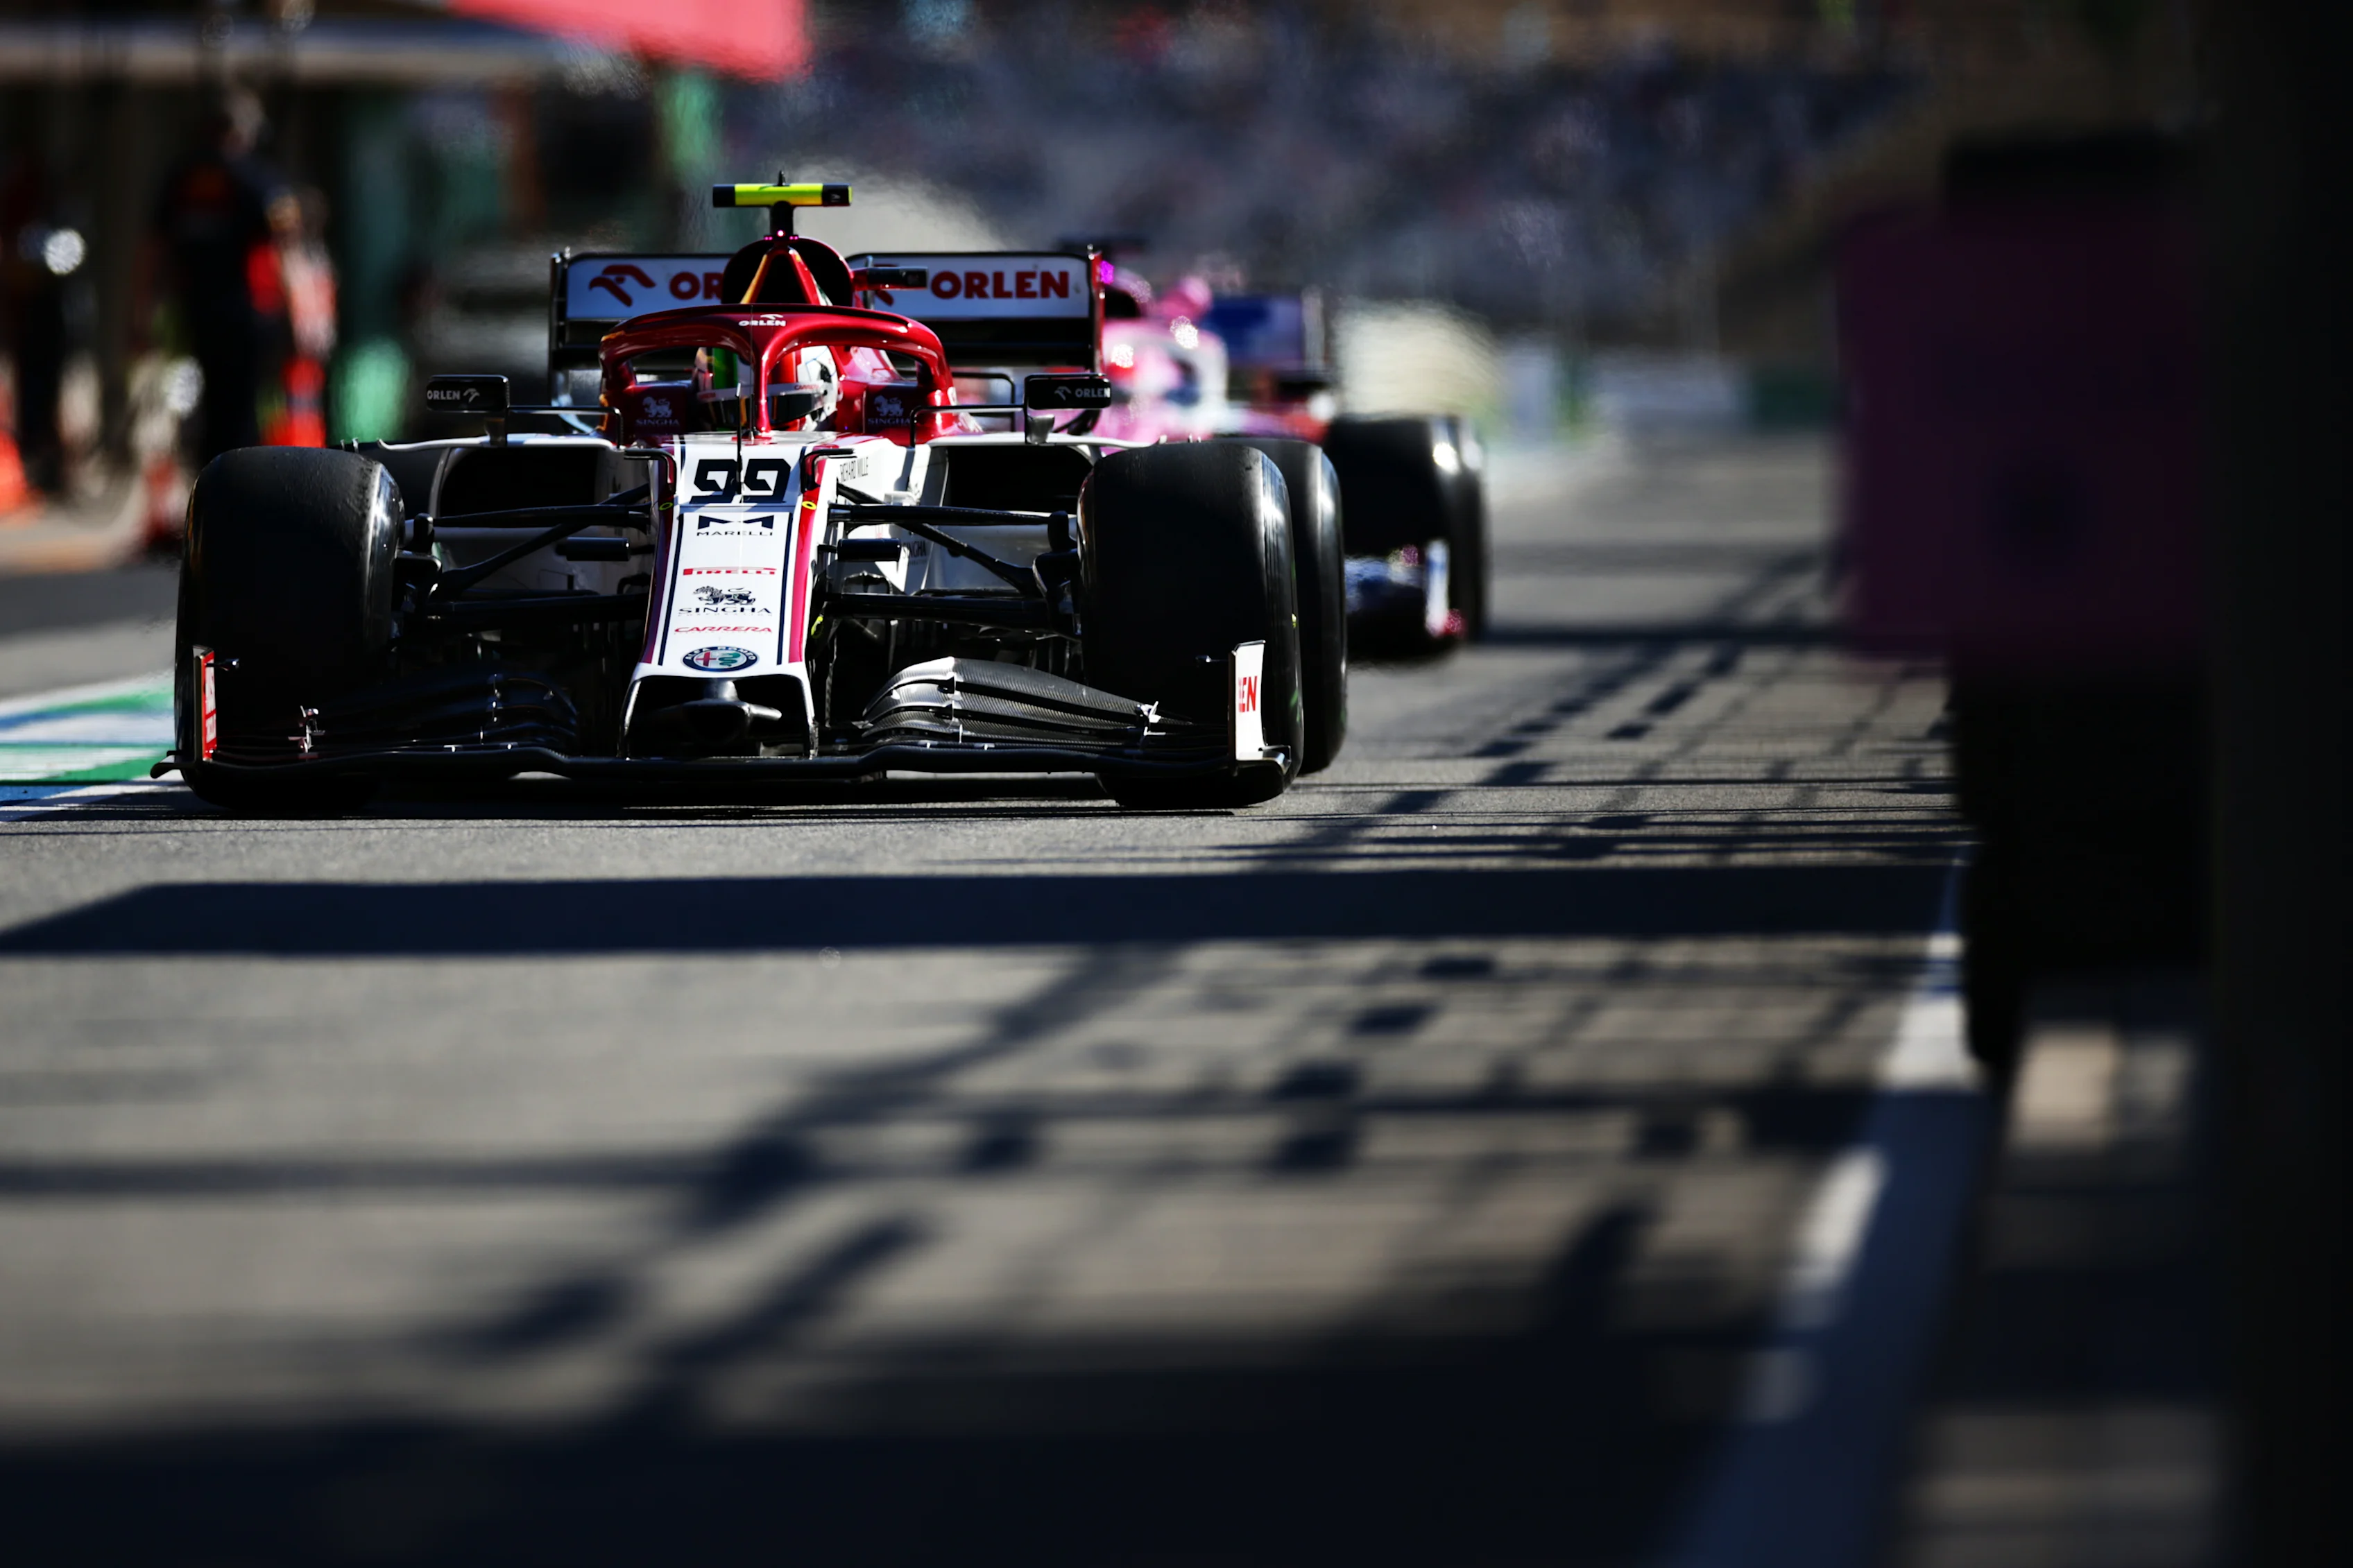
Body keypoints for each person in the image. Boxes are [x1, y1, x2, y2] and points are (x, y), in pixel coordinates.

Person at [144, 91, 289, 464]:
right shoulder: (254, 178)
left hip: (195, 310)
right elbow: (284, 245)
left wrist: (145, 308)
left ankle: (210, 483)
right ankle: (236, 487)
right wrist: (296, 311)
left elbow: (155, 249)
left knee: (209, 405)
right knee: (242, 409)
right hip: (243, 312)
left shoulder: (184, 177)